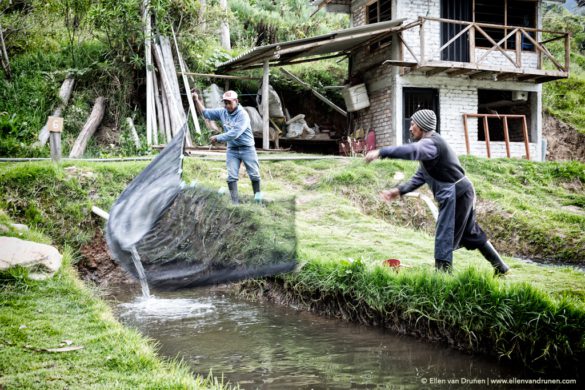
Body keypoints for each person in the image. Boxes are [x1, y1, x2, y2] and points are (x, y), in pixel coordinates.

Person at [364, 109, 509, 275]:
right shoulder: (430, 146)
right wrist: (398, 191)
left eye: (413, 124)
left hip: (456, 193)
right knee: (470, 232)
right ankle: (501, 268)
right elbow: (421, 176)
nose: (410, 128)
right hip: (462, 192)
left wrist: (381, 152)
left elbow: (411, 151)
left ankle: (442, 276)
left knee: (444, 234)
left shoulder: (430, 144)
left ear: (423, 126)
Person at [192, 90, 261, 205]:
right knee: (231, 177)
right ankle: (235, 204)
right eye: (225, 102)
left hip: (247, 148)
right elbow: (205, 113)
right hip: (232, 149)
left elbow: (235, 133)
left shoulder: (243, 115)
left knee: (254, 175)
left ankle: (258, 201)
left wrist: (218, 138)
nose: (227, 105)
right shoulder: (223, 112)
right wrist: (196, 100)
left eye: (229, 102)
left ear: (236, 101)